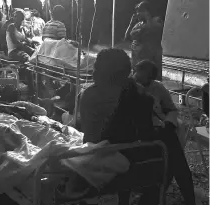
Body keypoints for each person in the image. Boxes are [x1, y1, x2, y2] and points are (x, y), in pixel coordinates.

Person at [80, 48, 196, 205]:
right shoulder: (136, 94)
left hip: (98, 149)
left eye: (96, 67)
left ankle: (160, 197)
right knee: (170, 146)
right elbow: (144, 132)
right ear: (125, 73)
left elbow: (88, 134)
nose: (93, 72)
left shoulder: (87, 95)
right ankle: (184, 198)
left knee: (168, 144)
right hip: (122, 152)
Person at [124, 1, 163, 81]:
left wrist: (148, 18)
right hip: (137, 59)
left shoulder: (156, 20)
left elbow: (154, 31)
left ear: (147, 11)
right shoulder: (138, 24)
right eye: (137, 11)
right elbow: (127, 37)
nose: (137, 13)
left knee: (150, 83)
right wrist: (131, 23)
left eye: (140, 11)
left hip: (151, 59)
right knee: (138, 83)